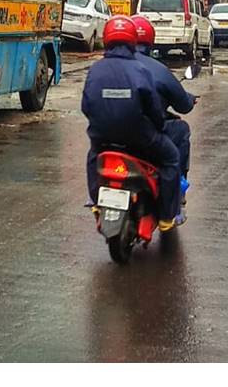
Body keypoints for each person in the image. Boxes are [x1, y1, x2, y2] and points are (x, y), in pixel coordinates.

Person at [82, 16, 183, 229]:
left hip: (102, 137)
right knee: (172, 158)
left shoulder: (95, 70)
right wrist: (160, 127)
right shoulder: (140, 70)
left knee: (93, 157)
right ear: (132, 41)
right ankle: (166, 217)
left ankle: (95, 200)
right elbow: (153, 109)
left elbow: (86, 106)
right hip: (139, 136)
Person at [129, 15, 194, 182]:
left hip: (108, 135)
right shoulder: (159, 70)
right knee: (181, 129)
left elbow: (88, 105)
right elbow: (183, 105)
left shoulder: (103, 67)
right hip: (143, 135)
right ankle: (178, 186)